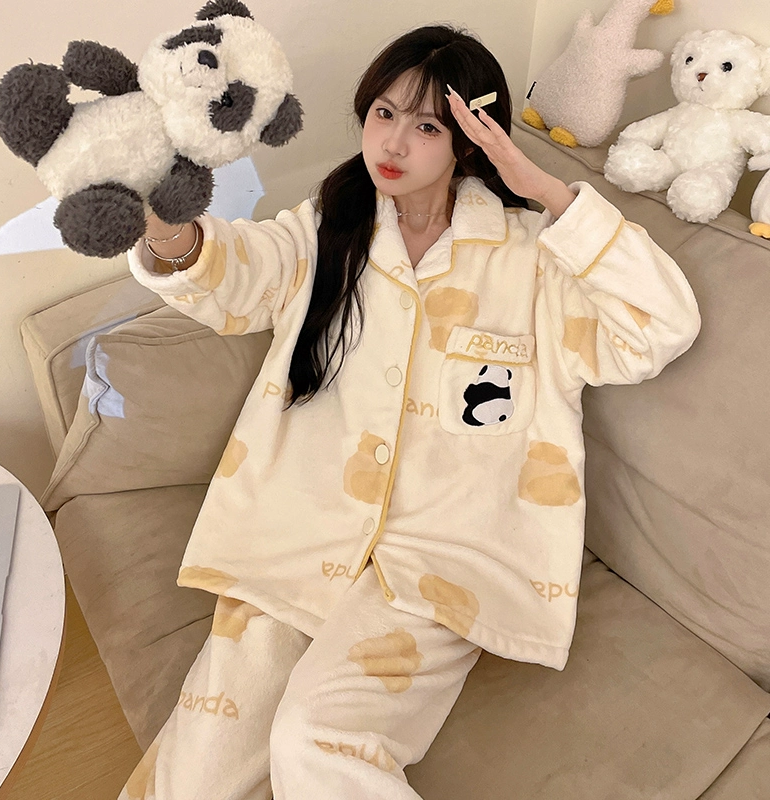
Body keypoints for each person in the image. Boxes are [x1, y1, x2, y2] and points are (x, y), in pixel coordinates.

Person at [119, 24, 700, 800]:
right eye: (383, 113)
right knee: (193, 774)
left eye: (427, 126)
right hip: (299, 533)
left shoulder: (535, 258)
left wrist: (550, 193)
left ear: (471, 140)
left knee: (316, 739)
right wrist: (168, 230)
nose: (393, 142)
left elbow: (661, 325)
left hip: (443, 565)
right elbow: (235, 276)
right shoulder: (328, 229)